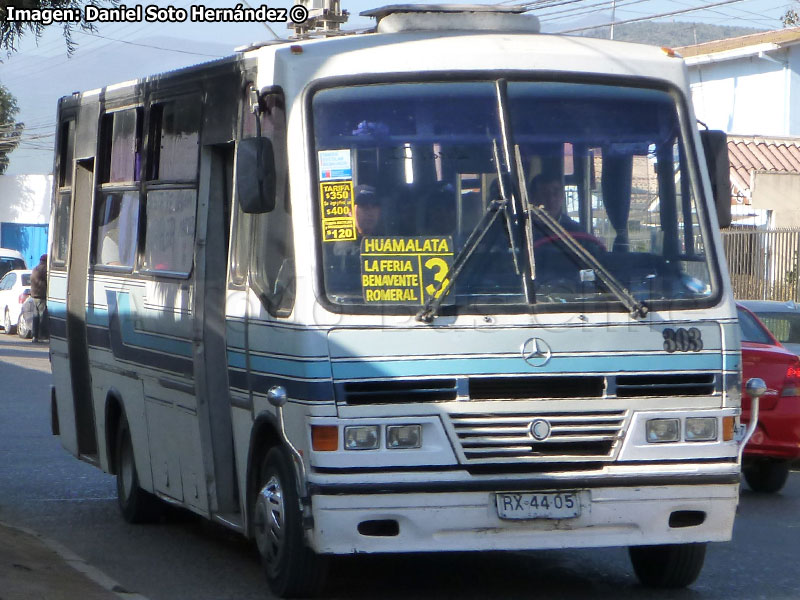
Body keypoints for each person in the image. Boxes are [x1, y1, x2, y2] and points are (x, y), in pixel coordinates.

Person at [30, 254, 48, 343]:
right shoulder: (44, 269)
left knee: (35, 317)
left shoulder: (35, 268)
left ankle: (34, 336)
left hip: (34, 295)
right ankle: (42, 336)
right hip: (41, 296)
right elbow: (47, 280)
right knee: (42, 316)